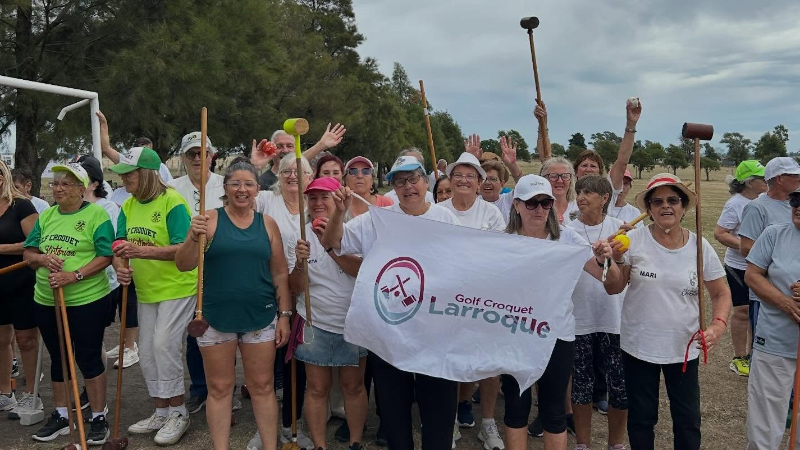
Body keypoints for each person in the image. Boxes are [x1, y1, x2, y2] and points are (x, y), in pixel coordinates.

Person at [321, 155, 461, 450]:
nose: (408, 187)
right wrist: (339, 213)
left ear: (425, 182)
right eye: (400, 181)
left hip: (434, 334)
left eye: (413, 179)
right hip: (388, 331)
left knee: (438, 415)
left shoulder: (445, 218)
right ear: (392, 187)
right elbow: (334, 242)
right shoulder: (377, 218)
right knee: (395, 417)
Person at [603, 173, 731, 449]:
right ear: (648, 209)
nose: (666, 206)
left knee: (687, 420)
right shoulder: (632, 240)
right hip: (639, 345)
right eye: (657, 201)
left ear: (684, 206)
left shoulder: (700, 246)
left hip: (683, 346)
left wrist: (718, 325)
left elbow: (721, 292)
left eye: (673, 200)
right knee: (641, 419)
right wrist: (611, 261)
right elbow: (614, 287)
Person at [175, 157, 291, 450]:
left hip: (260, 317)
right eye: (235, 183)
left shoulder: (268, 224)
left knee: (262, 387)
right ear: (225, 187)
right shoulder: (209, 220)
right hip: (215, 318)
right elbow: (183, 264)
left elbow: (279, 272)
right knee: (220, 388)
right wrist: (192, 235)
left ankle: (270, 446)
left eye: (248, 184)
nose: (242, 189)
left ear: (257, 190)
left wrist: (285, 315)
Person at [500, 174, 613, 450]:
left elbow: (604, 277)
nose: (539, 209)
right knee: (516, 407)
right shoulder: (502, 242)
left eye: (546, 203)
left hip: (557, 335)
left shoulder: (568, 239)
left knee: (553, 409)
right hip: (515, 335)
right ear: (516, 205)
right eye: (532, 203)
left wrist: (605, 258)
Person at [110, 147, 197, 445]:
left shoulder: (173, 202)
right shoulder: (129, 206)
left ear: (147, 173)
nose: (124, 180)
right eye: (122, 175)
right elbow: (119, 244)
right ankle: (161, 410)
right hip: (146, 290)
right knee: (146, 350)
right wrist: (121, 266)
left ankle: (179, 412)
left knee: (164, 345)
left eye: (129, 174)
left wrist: (141, 251)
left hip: (178, 287)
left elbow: (183, 248)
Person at [22, 163, 114, 445]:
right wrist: (41, 259)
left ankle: (98, 415)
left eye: (65, 184)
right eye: (55, 184)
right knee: (58, 357)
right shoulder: (47, 215)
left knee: (87, 356)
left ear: (82, 188)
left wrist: (74, 275)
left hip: (87, 299)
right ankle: (62, 414)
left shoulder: (97, 215)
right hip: (46, 298)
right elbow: (29, 252)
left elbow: (105, 256)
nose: (58, 189)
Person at [286, 177, 367, 450]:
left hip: (352, 320)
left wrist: (330, 247)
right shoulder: (299, 234)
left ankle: (356, 441)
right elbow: (295, 288)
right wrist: (299, 264)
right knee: (317, 388)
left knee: (353, 386)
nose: (319, 203)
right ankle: (319, 445)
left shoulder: (355, 230)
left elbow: (361, 271)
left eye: (325, 197)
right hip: (314, 321)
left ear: (338, 200)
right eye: (313, 198)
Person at [437, 152, 506, 449]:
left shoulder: (491, 214)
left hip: (484, 299)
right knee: (448, 360)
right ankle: (448, 420)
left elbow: (498, 255)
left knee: (488, 363)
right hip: (446, 300)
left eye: (471, 176)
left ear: (480, 182)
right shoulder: (436, 210)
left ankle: (487, 423)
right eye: (458, 175)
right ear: (450, 180)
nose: (464, 180)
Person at [249, 153, 315, 450]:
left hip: (306, 293)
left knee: (294, 367)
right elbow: (241, 191)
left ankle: (291, 425)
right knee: (264, 367)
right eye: (287, 170)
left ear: (310, 177)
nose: (293, 176)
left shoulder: (315, 205)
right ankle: (265, 429)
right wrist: (257, 165)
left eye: (300, 172)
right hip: (269, 290)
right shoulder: (266, 200)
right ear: (278, 173)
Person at [564, 175, 627, 450]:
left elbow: (628, 272)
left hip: (615, 319)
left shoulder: (621, 230)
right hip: (580, 320)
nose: (581, 196)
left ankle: (616, 444)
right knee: (581, 386)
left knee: (620, 388)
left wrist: (616, 254)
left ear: (605, 198)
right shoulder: (567, 230)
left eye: (588, 192)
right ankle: (582, 444)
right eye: (578, 191)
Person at [168, 132, 227, 415]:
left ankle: (225, 389)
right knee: (197, 333)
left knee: (226, 333)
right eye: (190, 153)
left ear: (211, 157)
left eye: (202, 153)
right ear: (182, 157)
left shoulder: (224, 185)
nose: (196, 158)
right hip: (187, 269)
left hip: (221, 267)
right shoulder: (171, 187)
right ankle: (200, 389)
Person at [744, 188, 800, 449]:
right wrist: (786, 303)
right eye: (795, 200)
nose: (798, 206)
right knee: (765, 416)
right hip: (775, 338)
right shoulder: (775, 234)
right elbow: (753, 275)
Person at [77, 156, 136, 369]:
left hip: (104, 279)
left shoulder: (108, 207)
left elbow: (111, 243)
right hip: (76, 283)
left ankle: (94, 387)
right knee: (82, 339)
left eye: (80, 178)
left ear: (94, 183)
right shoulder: (65, 208)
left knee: (95, 336)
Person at [738, 157, 800, 354]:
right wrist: (781, 261)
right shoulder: (757, 207)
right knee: (766, 349)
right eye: (795, 175)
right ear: (780, 178)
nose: (799, 179)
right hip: (767, 294)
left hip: (793, 290)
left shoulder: (794, 203)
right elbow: (746, 247)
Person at [713, 160, 767, 377]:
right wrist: (748, 246)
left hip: (761, 265)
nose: (766, 181)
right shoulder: (735, 204)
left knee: (760, 312)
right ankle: (739, 357)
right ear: (749, 182)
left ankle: (757, 355)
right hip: (739, 265)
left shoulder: (765, 200)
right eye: (761, 178)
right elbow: (720, 233)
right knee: (743, 311)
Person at [0, 160, 41, 419]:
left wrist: (3, 249)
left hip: (22, 281)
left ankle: (31, 394)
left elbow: (35, 243)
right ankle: (5, 393)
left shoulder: (21, 205)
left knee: (26, 339)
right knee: (1, 340)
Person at [251, 124, 346, 190]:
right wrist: (254, 166)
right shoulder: (261, 181)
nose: (285, 150)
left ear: (297, 149)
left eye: (290, 146)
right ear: (272, 149)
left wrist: (321, 145)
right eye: (279, 146)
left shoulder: (306, 178)